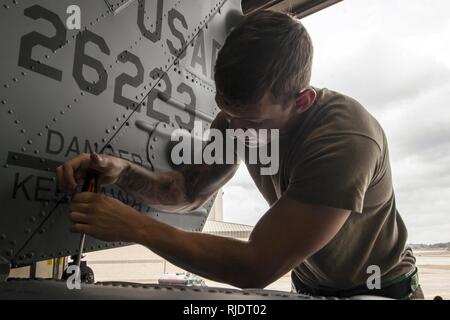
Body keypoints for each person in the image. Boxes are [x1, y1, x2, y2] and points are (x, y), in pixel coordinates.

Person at [57, 10, 423, 299]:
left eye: (250, 120)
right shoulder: (235, 121)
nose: (236, 131)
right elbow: (188, 191)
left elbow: (257, 266)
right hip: (311, 288)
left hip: (380, 289)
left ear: (302, 101)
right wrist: (123, 172)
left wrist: (134, 226)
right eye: (228, 114)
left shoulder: (345, 139)